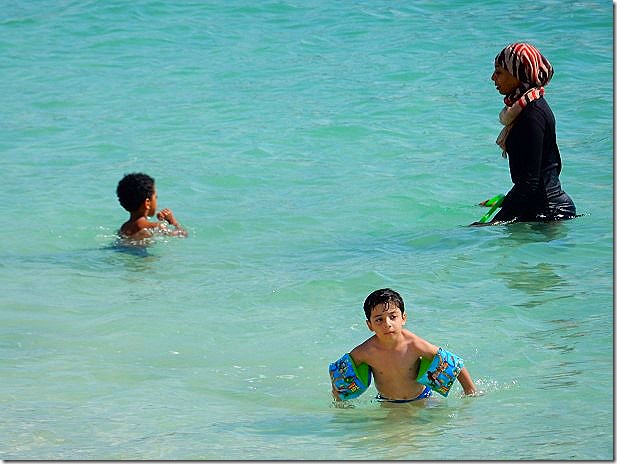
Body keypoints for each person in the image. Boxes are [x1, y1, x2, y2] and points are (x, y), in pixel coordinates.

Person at [475, 42, 576, 225]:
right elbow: (535, 176)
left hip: (550, 213)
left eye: (499, 72)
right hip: (537, 209)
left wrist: (492, 223)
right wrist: (507, 201)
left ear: (519, 74)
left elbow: (530, 182)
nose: (492, 78)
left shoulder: (533, 114)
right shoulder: (525, 109)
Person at [330, 288, 476, 402]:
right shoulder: (366, 351)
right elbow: (339, 371)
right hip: (387, 402)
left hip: (422, 398)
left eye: (393, 317)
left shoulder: (414, 344)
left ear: (403, 318)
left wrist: (470, 392)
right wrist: (339, 399)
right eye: (379, 320)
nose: (387, 324)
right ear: (370, 325)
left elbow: (454, 363)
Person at [116, 172, 188, 240]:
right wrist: (173, 222)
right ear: (147, 203)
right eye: (155, 197)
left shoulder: (124, 228)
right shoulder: (156, 227)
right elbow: (183, 235)